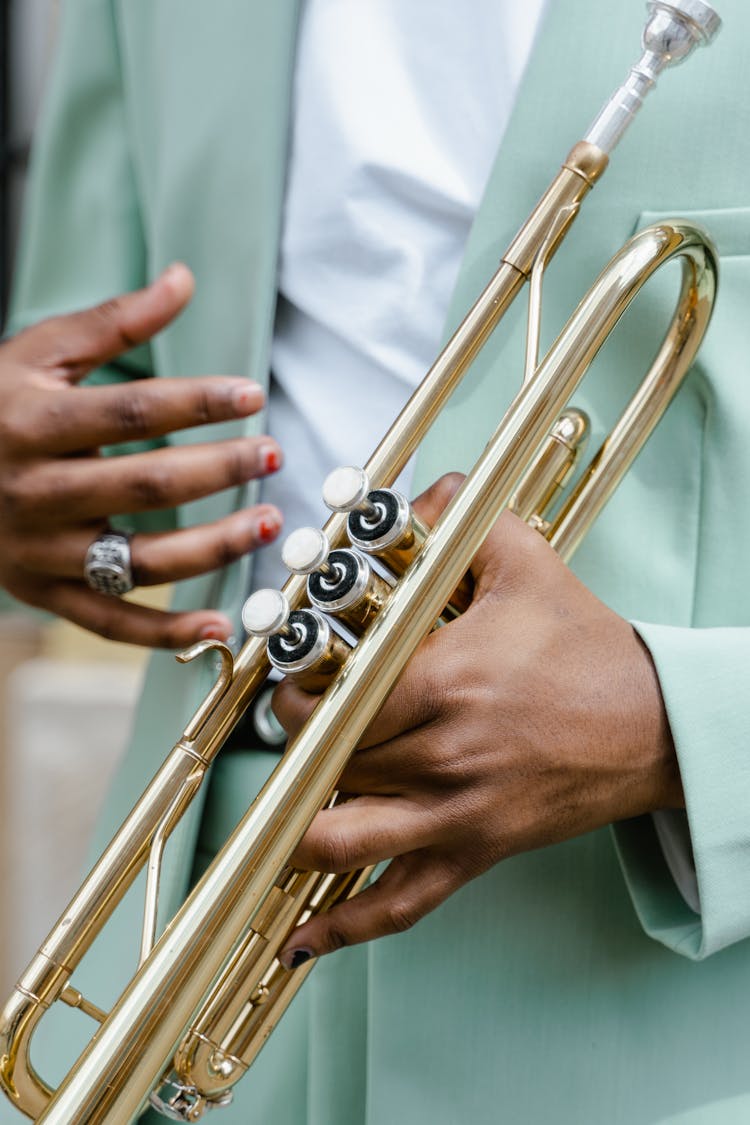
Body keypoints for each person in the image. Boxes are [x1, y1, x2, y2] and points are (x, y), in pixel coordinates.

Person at [2, 2, 750, 1123]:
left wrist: (682, 720)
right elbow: (95, 420)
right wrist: (74, 536)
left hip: (656, 1002)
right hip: (198, 939)